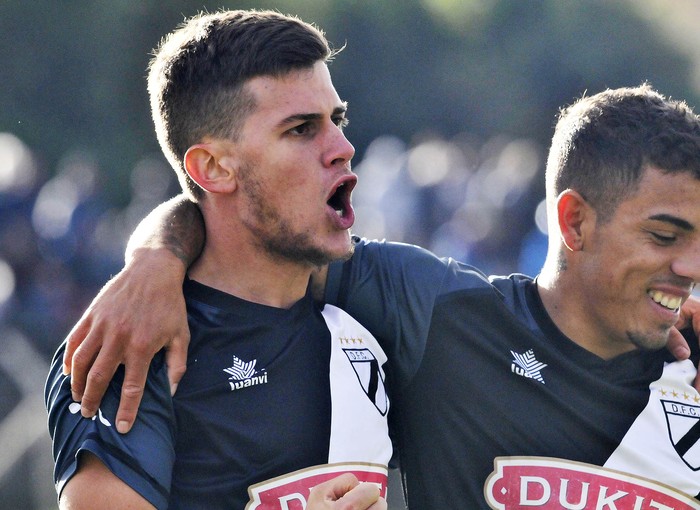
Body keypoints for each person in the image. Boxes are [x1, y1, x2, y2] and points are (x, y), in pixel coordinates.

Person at [60, 84, 700, 508]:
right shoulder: (432, 313)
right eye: (665, 236)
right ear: (575, 222)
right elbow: (248, 227)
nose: (691, 265)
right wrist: (155, 260)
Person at [45, 9, 393, 510]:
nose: (343, 147)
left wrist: (157, 253)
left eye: (336, 120)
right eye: (300, 129)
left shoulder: (382, 301)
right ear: (213, 167)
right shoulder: (131, 344)